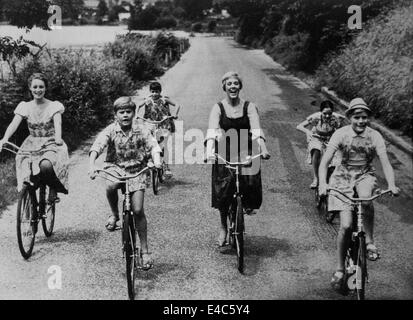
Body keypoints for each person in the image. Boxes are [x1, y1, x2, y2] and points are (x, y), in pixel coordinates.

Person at [318, 97, 400, 293]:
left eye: (364, 117)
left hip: (364, 174)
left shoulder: (375, 136)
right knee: (345, 226)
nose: (361, 121)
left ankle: (370, 242)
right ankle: (339, 268)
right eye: (356, 117)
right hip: (342, 176)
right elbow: (325, 161)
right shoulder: (340, 134)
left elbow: (385, 162)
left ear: (368, 118)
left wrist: (392, 184)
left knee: (366, 199)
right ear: (349, 117)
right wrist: (323, 183)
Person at [88, 96, 162, 269]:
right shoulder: (111, 129)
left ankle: (144, 251)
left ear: (134, 113)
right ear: (115, 115)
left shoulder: (141, 129)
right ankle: (114, 214)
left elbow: (153, 145)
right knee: (111, 185)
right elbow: (98, 145)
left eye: (128, 112)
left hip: (137, 169)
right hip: (115, 166)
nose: (125, 115)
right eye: (121, 112)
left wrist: (156, 160)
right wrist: (91, 165)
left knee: (137, 210)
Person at [205, 71, 270, 247]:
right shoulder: (218, 107)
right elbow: (212, 130)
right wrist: (209, 150)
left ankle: (246, 204)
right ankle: (223, 227)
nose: (232, 86)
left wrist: (263, 148)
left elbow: (256, 129)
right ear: (224, 87)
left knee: (250, 178)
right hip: (225, 147)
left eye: (236, 84)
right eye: (229, 84)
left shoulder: (249, 106)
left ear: (240, 87)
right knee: (223, 188)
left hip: (246, 146)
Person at [0, 72, 69, 200]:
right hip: (31, 143)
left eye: (41, 87)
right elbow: (14, 124)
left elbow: (57, 123)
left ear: (45, 88)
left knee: (46, 165)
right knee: (25, 166)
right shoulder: (25, 106)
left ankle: (52, 187)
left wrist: (58, 138)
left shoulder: (53, 106)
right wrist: (5, 138)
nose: (38, 90)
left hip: (50, 142)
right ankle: (30, 201)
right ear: (30, 88)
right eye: (35, 87)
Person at [296, 100, 346, 189]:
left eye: (329, 113)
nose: (327, 116)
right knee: (316, 150)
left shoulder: (336, 118)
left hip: (330, 139)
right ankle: (316, 178)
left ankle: (335, 178)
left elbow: (343, 130)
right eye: (324, 113)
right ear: (321, 112)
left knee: (339, 156)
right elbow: (299, 126)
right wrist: (307, 132)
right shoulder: (316, 117)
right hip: (317, 137)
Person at [137, 81, 180, 178]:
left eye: (156, 91)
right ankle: (149, 164)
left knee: (163, 145)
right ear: (150, 92)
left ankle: (166, 166)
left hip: (163, 124)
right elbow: (138, 105)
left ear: (160, 92)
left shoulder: (164, 99)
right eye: (152, 91)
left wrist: (175, 114)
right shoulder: (148, 100)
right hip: (150, 124)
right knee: (149, 143)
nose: (154, 94)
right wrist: (136, 114)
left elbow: (177, 104)